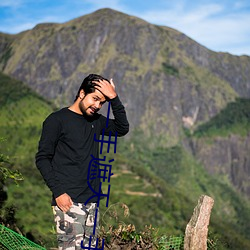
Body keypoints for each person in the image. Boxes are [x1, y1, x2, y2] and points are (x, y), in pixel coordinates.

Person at [35, 74, 129, 249]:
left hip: (92, 202)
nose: (97, 106)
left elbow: (122, 128)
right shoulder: (56, 120)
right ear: (81, 93)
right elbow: (42, 158)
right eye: (95, 99)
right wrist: (58, 192)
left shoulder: (96, 121)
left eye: (102, 102)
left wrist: (114, 98)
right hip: (69, 202)